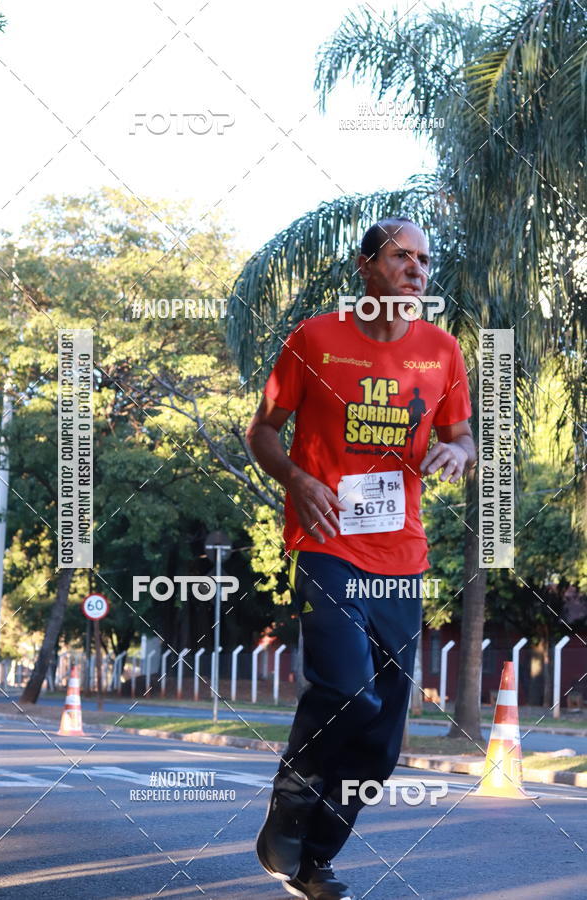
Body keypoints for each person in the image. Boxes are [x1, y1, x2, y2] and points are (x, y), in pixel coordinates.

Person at [246, 217, 475, 899]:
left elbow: (464, 440)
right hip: (326, 545)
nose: (416, 270)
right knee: (347, 691)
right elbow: (261, 431)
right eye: (402, 256)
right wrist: (297, 478)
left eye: (425, 261)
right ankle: (291, 802)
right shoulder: (314, 340)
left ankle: (316, 859)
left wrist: (456, 454)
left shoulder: (442, 352)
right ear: (366, 266)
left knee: (381, 737)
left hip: (401, 559)